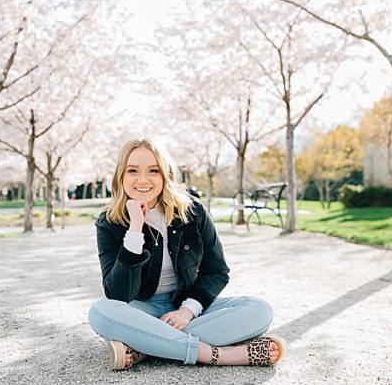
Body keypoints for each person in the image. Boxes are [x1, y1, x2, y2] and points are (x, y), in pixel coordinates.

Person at [87, 138, 285, 370]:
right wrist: (135, 229)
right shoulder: (109, 222)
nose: (142, 179)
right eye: (132, 171)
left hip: (187, 304)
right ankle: (218, 355)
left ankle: (145, 346)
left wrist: (186, 311)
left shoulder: (192, 212)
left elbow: (217, 271)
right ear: (121, 175)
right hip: (142, 309)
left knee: (259, 310)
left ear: (165, 174)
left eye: (153, 170)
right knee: (100, 312)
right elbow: (118, 295)